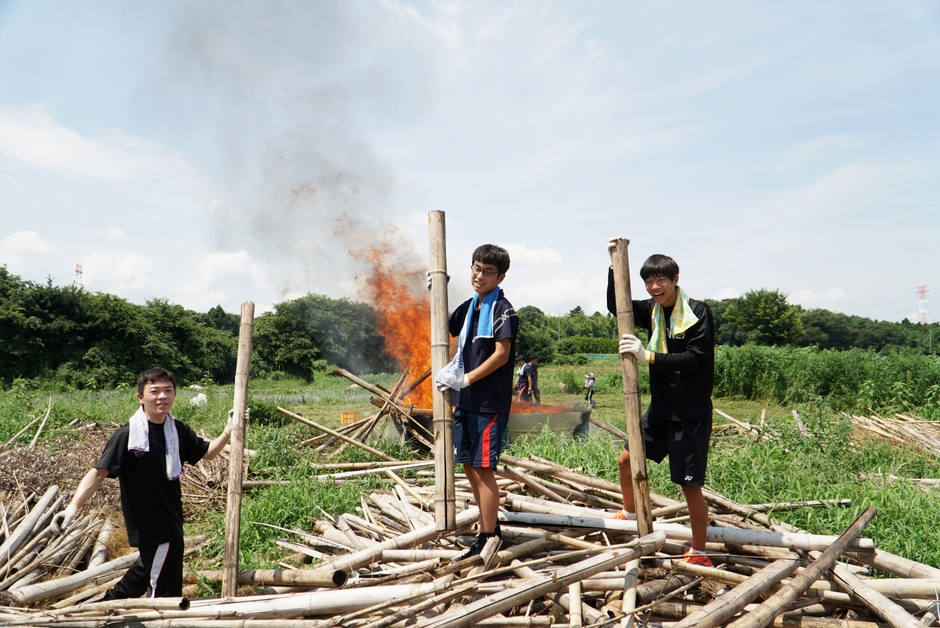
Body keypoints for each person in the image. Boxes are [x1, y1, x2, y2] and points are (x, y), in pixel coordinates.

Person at [50, 368, 236, 598]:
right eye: (155, 391)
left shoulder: (176, 429)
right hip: (150, 521)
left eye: (168, 391)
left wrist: (229, 430)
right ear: (140, 397)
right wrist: (73, 507)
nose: (162, 396)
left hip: (171, 516)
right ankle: (162, 615)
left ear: (175, 395)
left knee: (147, 568)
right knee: (164, 586)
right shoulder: (129, 435)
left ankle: (111, 603)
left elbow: (207, 452)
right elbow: (98, 473)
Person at [606, 251, 715, 567]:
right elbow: (617, 306)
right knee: (626, 459)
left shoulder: (697, 313)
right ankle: (629, 513)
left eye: (660, 280)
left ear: (675, 280)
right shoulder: (652, 310)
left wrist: (648, 356)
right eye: (649, 281)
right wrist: (614, 267)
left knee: (689, 485)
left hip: (690, 412)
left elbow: (695, 358)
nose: (654, 287)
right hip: (661, 409)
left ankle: (699, 551)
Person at [435, 244, 519, 560]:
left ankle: (486, 539)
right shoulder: (472, 306)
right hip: (465, 401)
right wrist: (435, 292)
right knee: (469, 465)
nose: (479, 275)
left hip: (487, 402)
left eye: (487, 271)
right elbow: (446, 323)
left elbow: (502, 354)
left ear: (501, 276)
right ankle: (491, 528)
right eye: (476, 268)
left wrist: (468, 378)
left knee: (483, 469)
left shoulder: (502, 309)